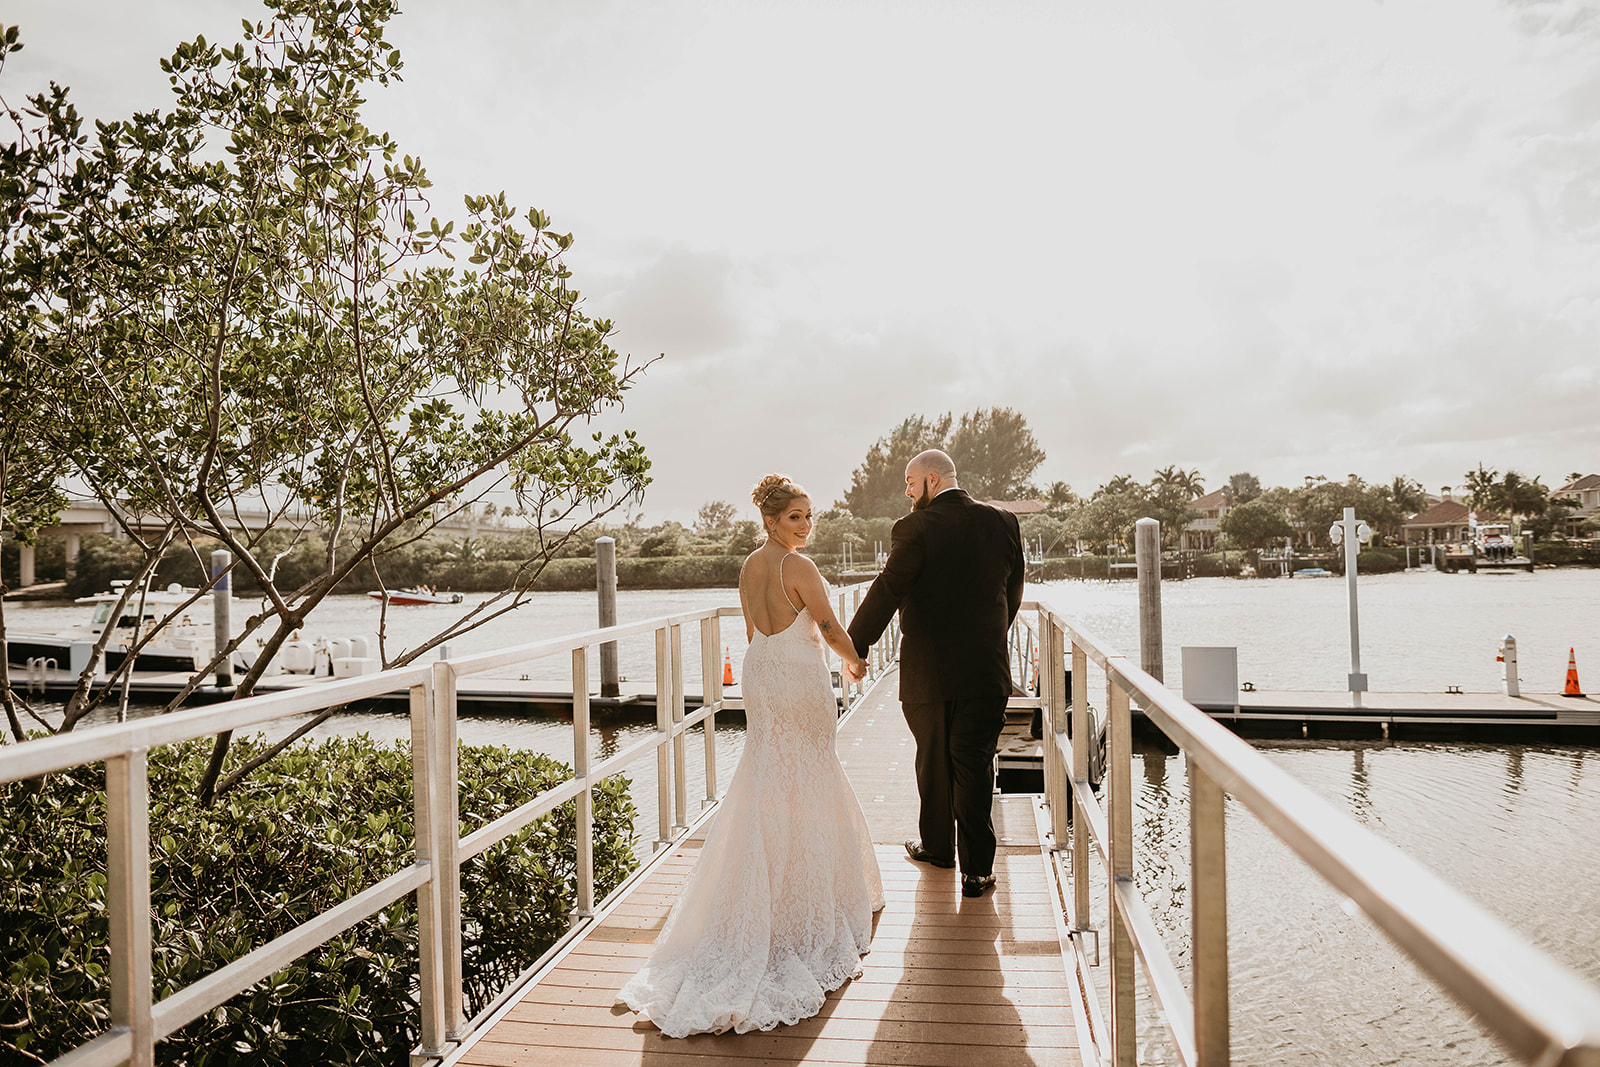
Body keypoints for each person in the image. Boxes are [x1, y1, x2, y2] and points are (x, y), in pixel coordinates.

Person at [617, 474, 884, 1037]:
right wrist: (855, 661)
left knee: (767, 770)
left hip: (761, 670)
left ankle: (761, 885)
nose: (805, 526)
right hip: (797, 675)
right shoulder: (799, 567)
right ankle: (801, 902)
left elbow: (751, 629)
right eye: (795, 517)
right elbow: (829, 626)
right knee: (811, 768)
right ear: (771, 519)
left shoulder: (747, 566)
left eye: (809, 516)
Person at [847, 449, 1025, 898]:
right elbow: (1013, 589)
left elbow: (888, 588)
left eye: (910, 483)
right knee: (974, 765)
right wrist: (990, 636)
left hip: (927, 671)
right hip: (985, 669)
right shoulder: (1003, 521)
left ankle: (939, 848)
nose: (907, 493)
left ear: (932, 479)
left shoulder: (915, 527)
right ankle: (977, 872)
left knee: (932, 759)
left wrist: (856, 646)